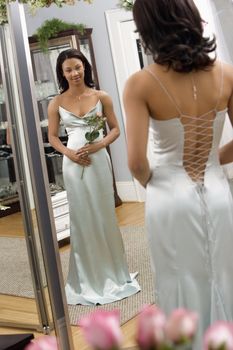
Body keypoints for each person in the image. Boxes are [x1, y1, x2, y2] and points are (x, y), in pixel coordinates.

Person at [123, 0, 233, 348]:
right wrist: (213, 161)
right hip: (217, 192)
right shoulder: (227, 74)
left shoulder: (141, 83)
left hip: (168, 196)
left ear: (148, 28)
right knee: (224, 275)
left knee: (179, 279)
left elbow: (136, 163)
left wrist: (158, 182)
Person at [48, 49, 140, 305]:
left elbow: (116, 130)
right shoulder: (55, 103)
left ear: (85, 67)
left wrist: (98, 146)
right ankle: (86, 277)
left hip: (98, 160)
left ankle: (115, 274)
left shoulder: (102, 96)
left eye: (77, 67)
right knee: (82, 217)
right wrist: (70, 153)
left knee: (104, 214)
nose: (74, 73)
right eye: (68, 70)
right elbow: (53, 137)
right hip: (73, 164)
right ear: (62, 73)